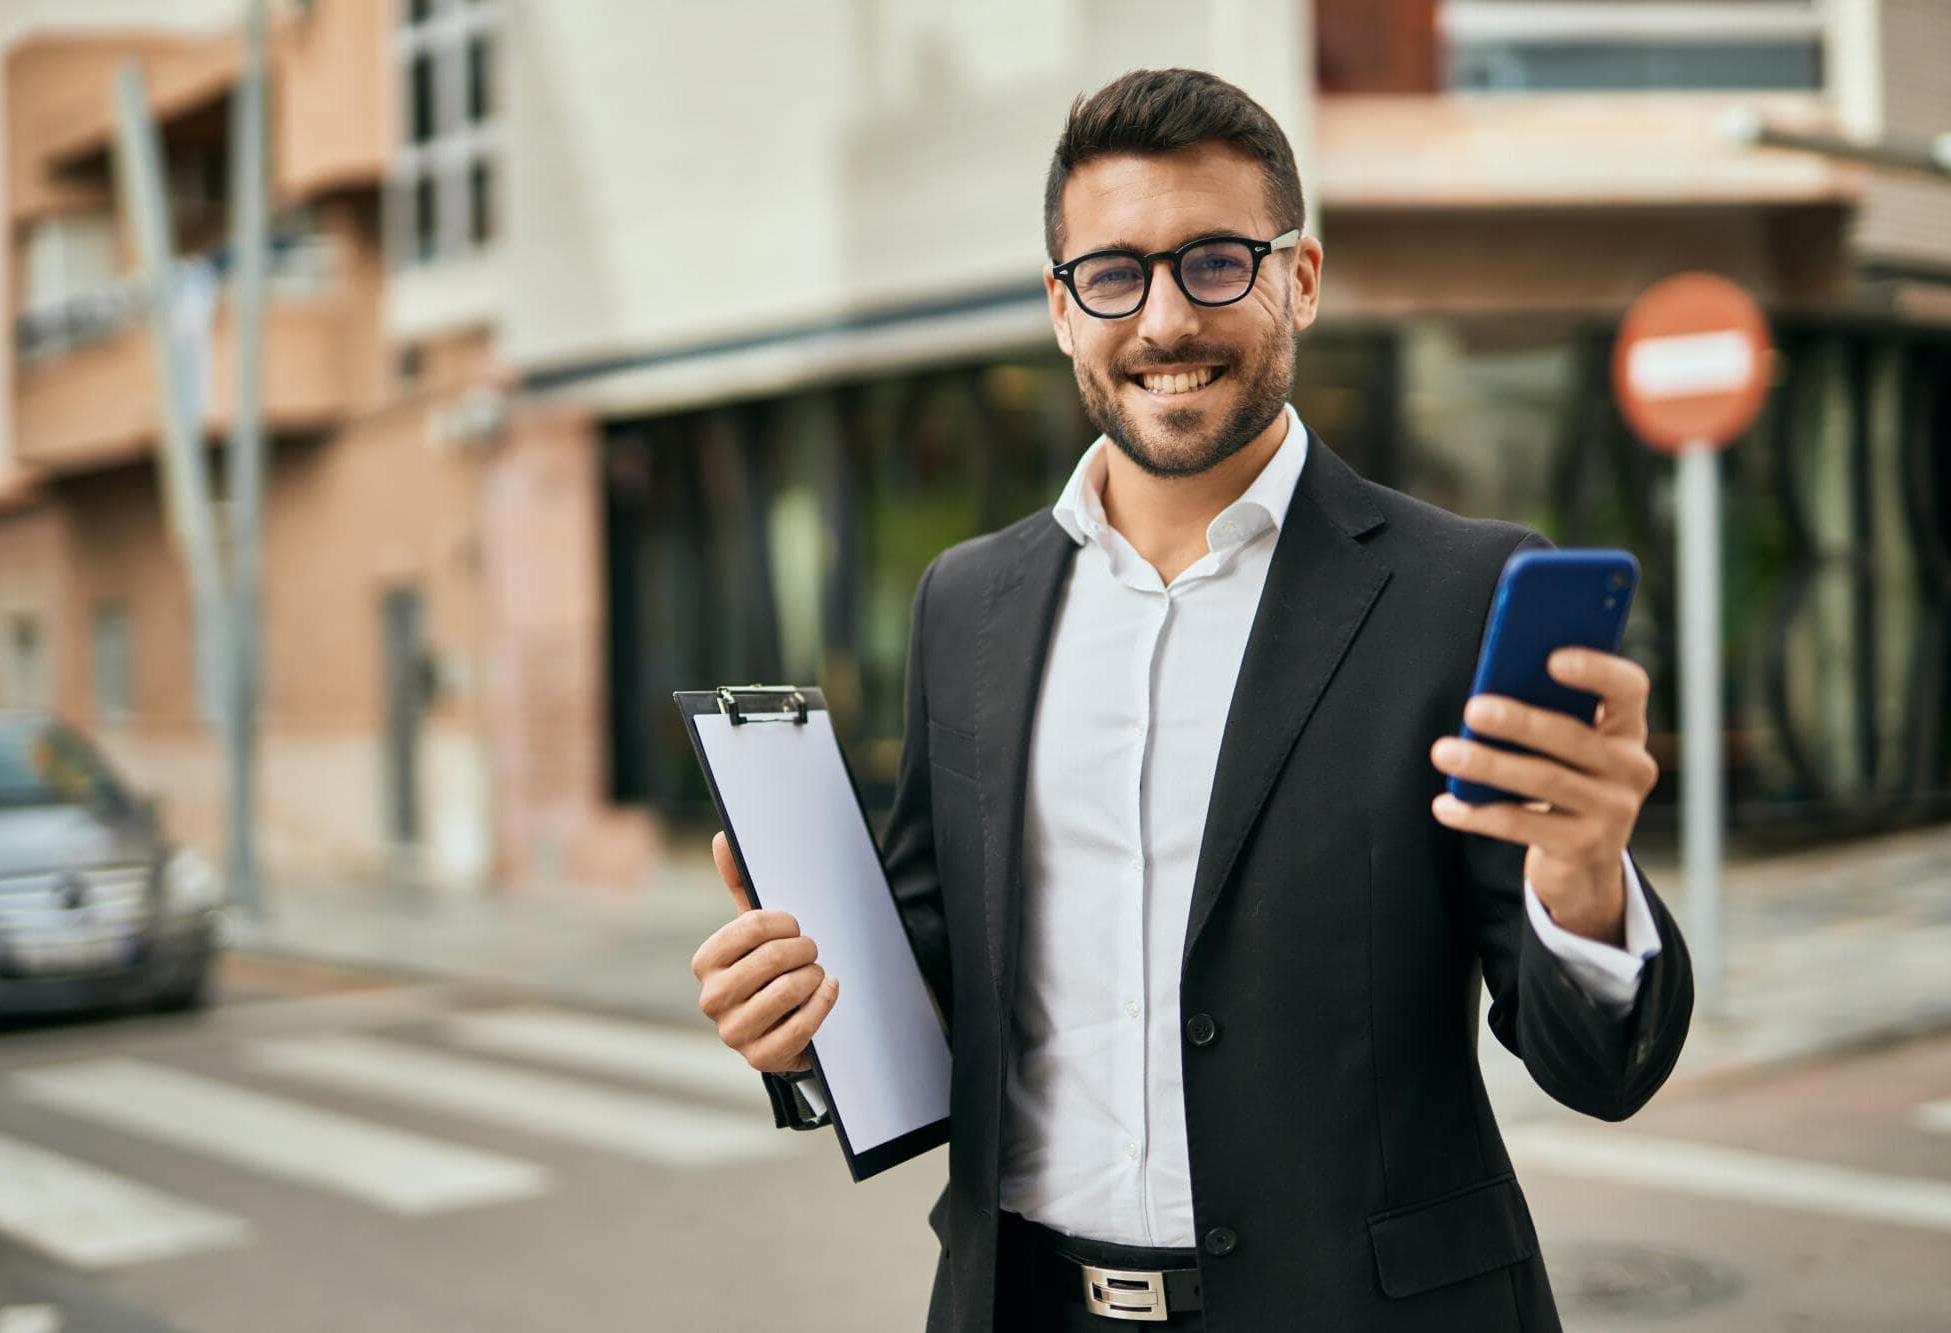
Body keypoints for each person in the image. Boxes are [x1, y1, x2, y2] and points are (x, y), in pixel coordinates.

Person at [689, 67, 1692, 1331]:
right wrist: (805, 1029)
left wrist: (1583, 880)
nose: (1163, 319)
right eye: (1112, 275)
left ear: (1300, 279)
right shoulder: (966, 603)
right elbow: (938, 978)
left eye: (1215, 261)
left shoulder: (1463, 591)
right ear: (1062, 310)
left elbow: (1599, 1068)